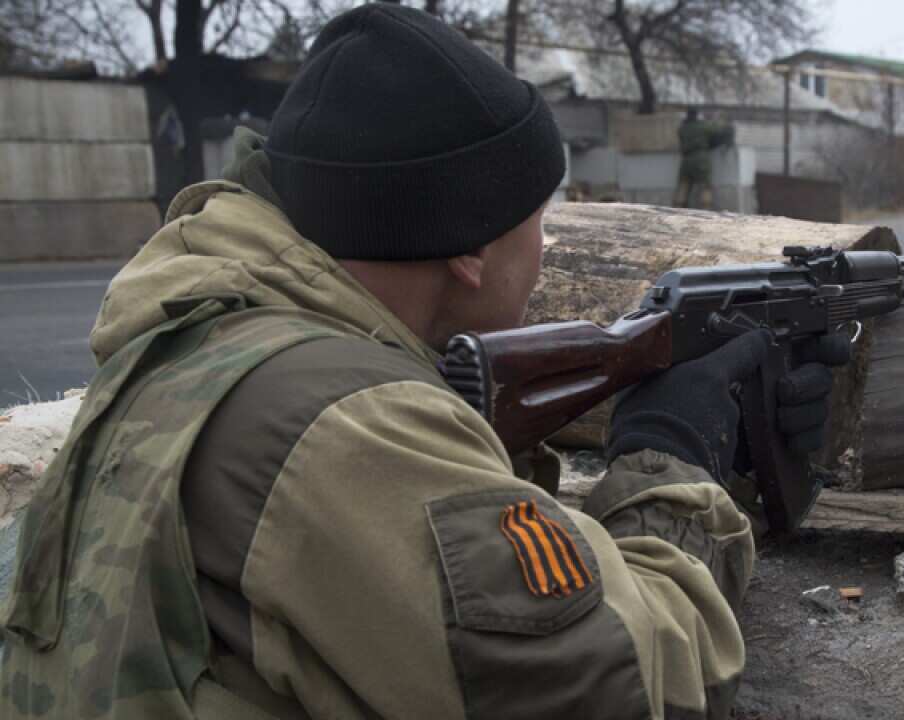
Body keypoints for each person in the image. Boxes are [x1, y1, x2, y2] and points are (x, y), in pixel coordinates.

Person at [0, 5, 840, 719]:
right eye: (540, 217)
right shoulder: (344, 429)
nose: (547, 244)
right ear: (471, 249)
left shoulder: (206, 331)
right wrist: (673, 458)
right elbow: (617, 681)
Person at [675, 108, 735, 209]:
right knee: (705, 186)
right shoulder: (702, 126)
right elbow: (717, 131)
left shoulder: (682, 128)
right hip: (700, 158)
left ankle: (677, 208)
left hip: (686, 160)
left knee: (683, 185)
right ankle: (706, 208)